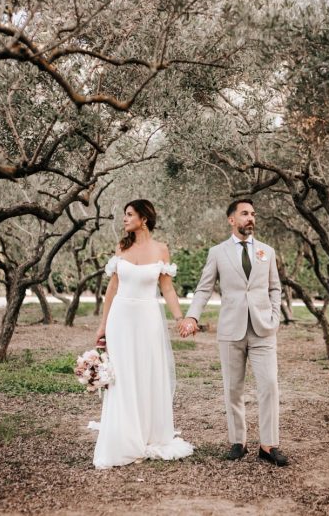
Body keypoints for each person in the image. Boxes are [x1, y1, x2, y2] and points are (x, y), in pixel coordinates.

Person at [179, 199, 288, 466]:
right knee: (233, 388)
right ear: (232, 220)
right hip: (231, 329)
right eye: (244, 214)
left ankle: (268, 445)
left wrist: (274, 316)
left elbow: (275, 287)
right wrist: (193, 315)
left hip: (263, 329)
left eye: (253, 213)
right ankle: (238, 441)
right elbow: (204, 288)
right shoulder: (217, 252)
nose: (250, 218)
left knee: (269, 386)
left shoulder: (267, 251)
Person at [91, 199, 193, 469]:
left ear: (143, 219)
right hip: (120, 319)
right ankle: (125, 435)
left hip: (148, 319)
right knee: (122, 376)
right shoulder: (121, 247)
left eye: (129, 214)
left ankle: (148, 433)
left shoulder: (161, 250)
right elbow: (112, 289)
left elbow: (168, 289)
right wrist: (103, 325)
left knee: (146, 372)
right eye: (125, 215)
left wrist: (179, 319)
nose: (124, 219)